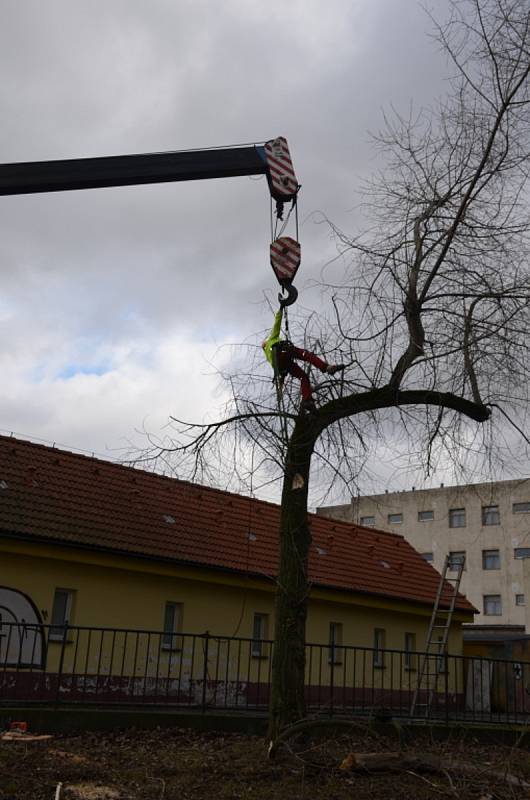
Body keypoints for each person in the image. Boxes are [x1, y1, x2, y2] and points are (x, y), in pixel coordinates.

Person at [262, 307, 345, 413]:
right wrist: (281, 308)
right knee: (307, 355)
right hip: (283, 351)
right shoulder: (272, 340)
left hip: (283, 364)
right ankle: (326, 367)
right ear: (265, 343)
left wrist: (280, 384)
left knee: (303, 376)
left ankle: (307, 400)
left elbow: (278, 368)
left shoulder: (269, 357)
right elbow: (277, 324)